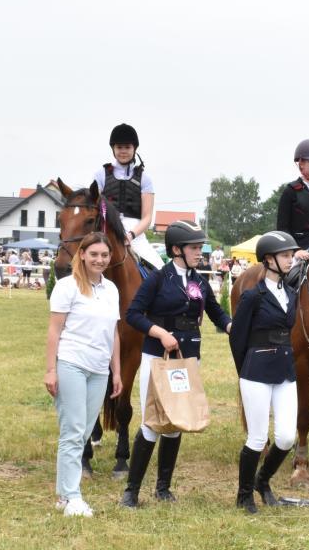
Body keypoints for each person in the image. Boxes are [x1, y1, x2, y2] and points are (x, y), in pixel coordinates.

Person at [122, 221, 232, 507]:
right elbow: (134, 314)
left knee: (176, 421)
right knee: (152, 422)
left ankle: (163, 488)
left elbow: (216, 312)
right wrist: (160, 333)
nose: (199, 253)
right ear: (176, 250)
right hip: (157, 357)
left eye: (200, 248)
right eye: (194, 248)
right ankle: (131, 492)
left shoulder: (200, 282)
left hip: (187, 358)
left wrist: (232, 326)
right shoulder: (158, 279)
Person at [44, 232, 122, 517]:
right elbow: (54, 331)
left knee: (84, 432)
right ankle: (72, 496)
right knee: (74, 431)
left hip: (99, 370)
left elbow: (114, 332)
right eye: (94, 254)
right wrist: (51, 370)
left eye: (104, 255)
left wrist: (116, 371)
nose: (100, 260)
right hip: (72, 363)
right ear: (82, 255)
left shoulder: (111, 289)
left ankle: (64, 495)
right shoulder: (67, 287)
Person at [229, 231, 300, 514]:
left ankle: (262, 481)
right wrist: (245, 371)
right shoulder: (252, 297)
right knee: (257, 438)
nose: (291, 260)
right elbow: (237, 339)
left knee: (286, 437)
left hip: (285, 371)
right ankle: (244, 494)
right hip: (256, 370)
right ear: (269, 259)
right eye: (285, 256)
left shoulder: (292, 294)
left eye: (291, 255)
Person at [95, 123, 164, 269]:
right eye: (119, 147)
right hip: (105, 231)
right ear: (113, 149)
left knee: (160, 269)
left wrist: (131, 235)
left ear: (134, 148)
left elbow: (147, 218)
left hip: (135, 235)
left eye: (127, 147)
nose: (123, 151)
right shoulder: (101, 174)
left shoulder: (144, 178)